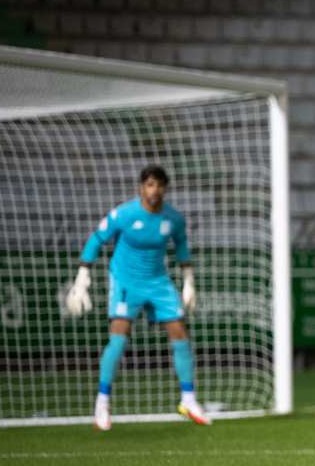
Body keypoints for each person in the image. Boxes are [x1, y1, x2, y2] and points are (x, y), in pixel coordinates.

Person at [65, 165, 209, 430]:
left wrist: (189, 282)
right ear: (141, 187)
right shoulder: (124, 214)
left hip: (158, 281)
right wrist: (82, 277)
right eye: (150, 184)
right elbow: (97, 239)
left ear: (165, 188)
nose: (154, 190)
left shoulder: (173, 219)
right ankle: (102, 403)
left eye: (159, 185)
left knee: (179, 332)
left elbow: (182, 246)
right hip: (125, 281)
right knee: (119, 338)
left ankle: (188, 400)